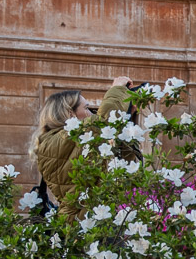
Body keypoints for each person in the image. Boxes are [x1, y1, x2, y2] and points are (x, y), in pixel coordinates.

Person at [31, 76, 133, 215]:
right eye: (86, 108)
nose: (91, 113)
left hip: (77, 218)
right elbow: (102, 121)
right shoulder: (63, 139)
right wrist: (118, 89)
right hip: (85, 221)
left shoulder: (51, 141)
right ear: (70, 113)